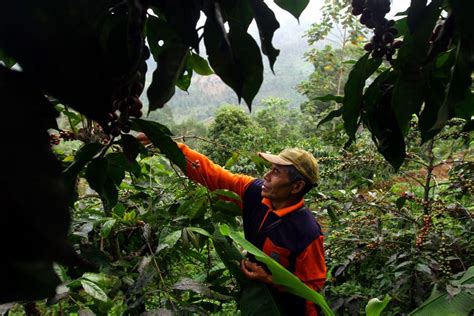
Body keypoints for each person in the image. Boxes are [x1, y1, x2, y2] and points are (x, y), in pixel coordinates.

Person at [137, 133, 326, 315]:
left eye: (276, 172)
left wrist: (270, 279)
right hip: (258, 302)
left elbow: (311, 290)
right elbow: (212, 174)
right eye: (270, 168)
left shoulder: (306, 232)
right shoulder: (254, 192)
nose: (267, 176)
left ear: (297, 186)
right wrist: (167, 145)